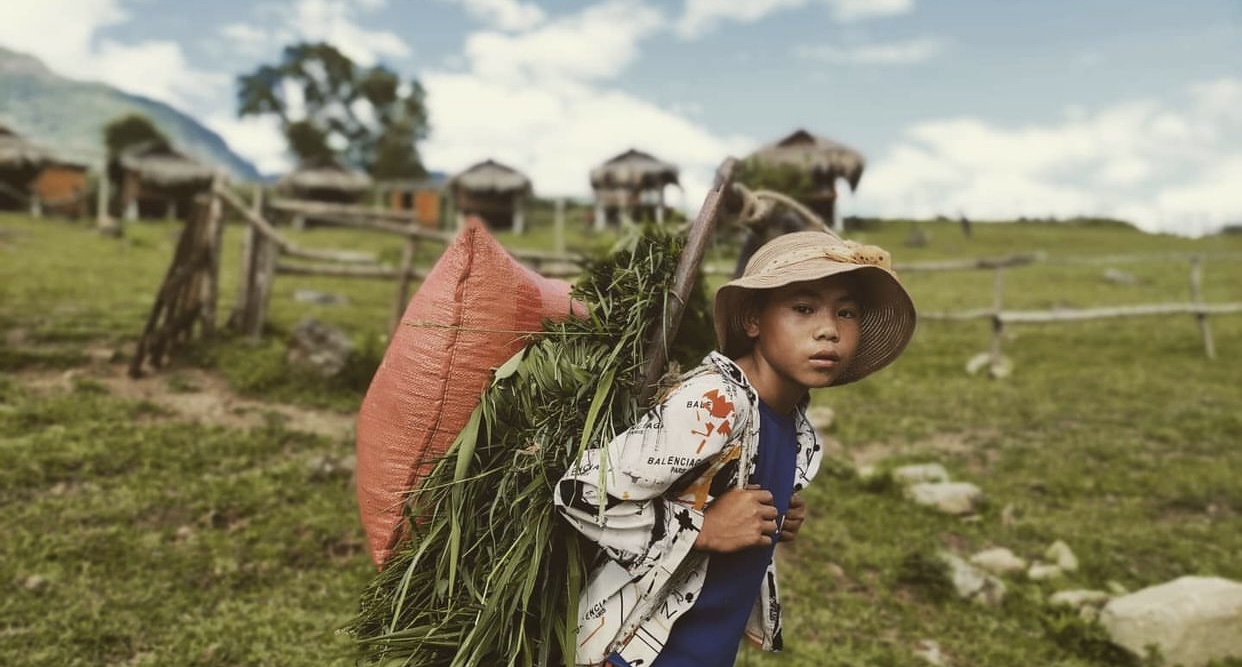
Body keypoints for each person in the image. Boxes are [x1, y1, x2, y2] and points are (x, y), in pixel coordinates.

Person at [554, 230, 917, 667]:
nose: (828, 330)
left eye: (846, 312)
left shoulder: (786, 414)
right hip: (636, 654)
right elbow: (580, 491)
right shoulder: (716, 403)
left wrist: (776, 506)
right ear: (753, 320)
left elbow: (722, 492)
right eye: (803, 308)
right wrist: (703, 530)